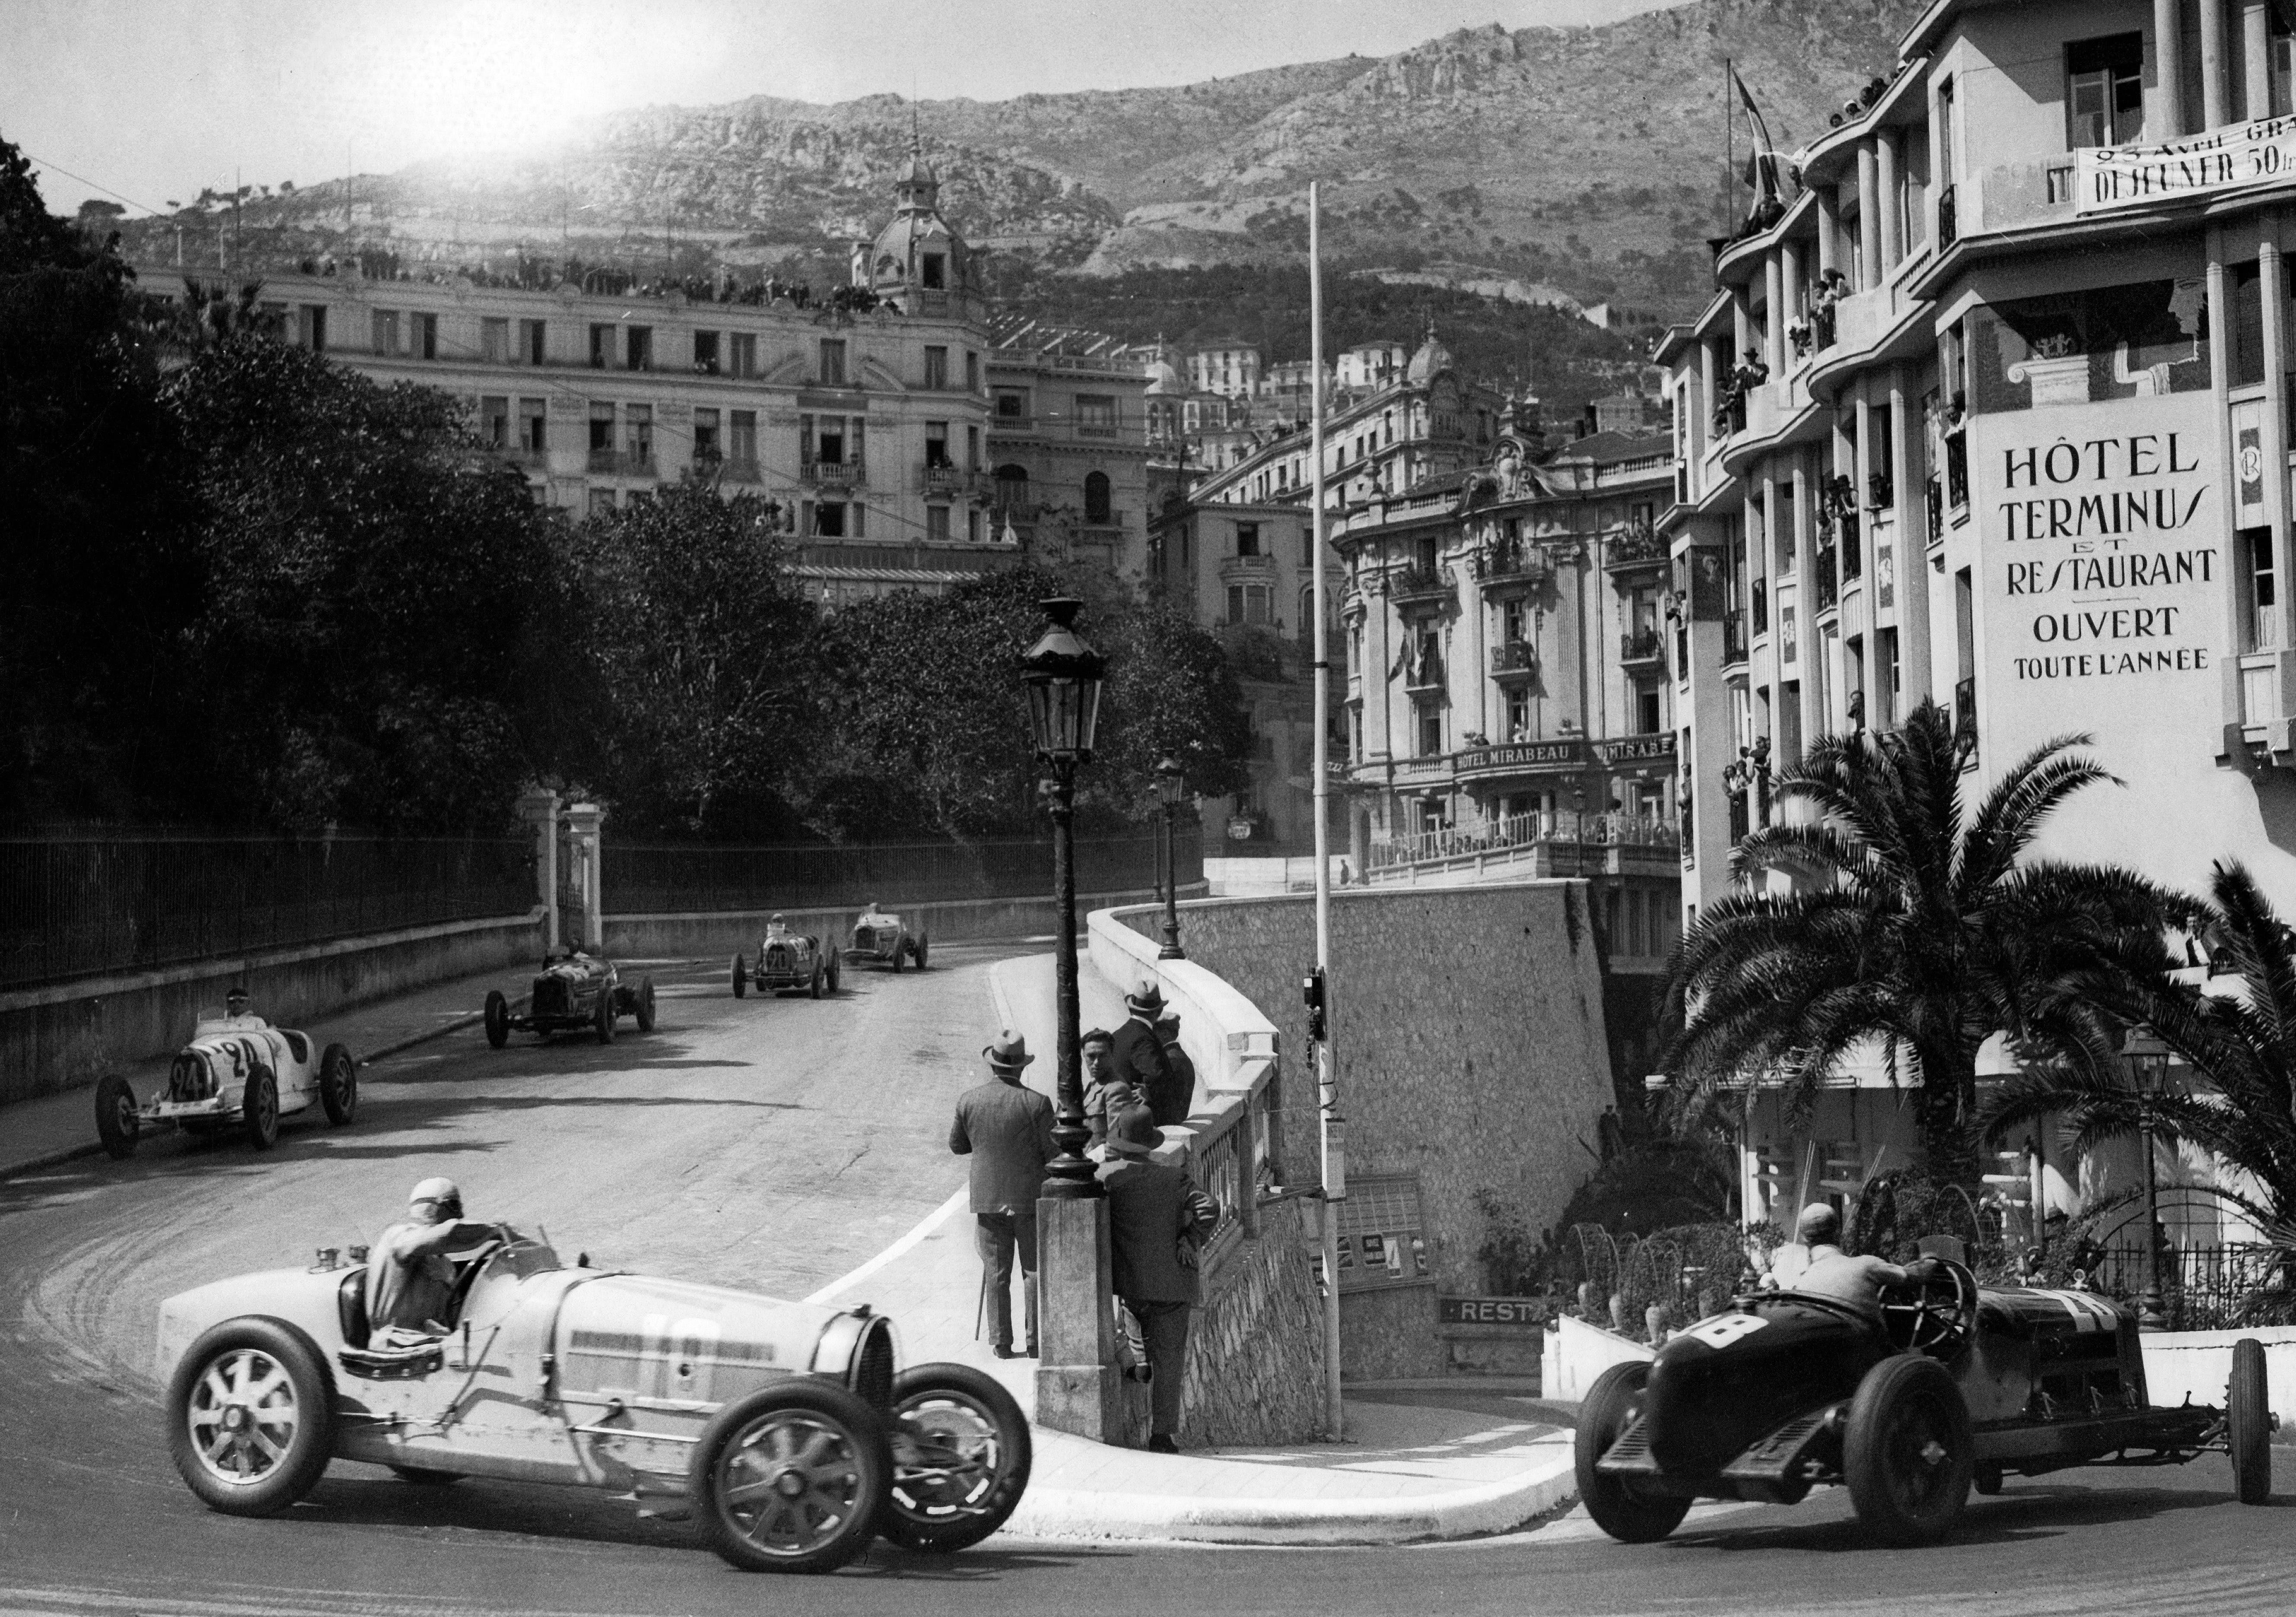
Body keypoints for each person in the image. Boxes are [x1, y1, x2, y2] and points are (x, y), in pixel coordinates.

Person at [1098, 1105, 1220, 1453]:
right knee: (1170, 1359)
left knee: (1132, 1317)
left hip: (1132, 1283)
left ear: (1119, 1143)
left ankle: (1136, 1363)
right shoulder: (1173, 1178)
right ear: (1150, 1144)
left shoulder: (1108, 1179)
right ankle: (1162, 1435)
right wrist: (1191, 1237)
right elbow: (1210, 1207)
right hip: (1171, 1285)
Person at [949, 1029, 1056, 1359]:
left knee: (996, 1271)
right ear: (1021, 1067)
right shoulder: (1037, 1103)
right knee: (1033, 1270)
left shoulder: (969, 1100)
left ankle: (1001, 1341)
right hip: (1028, 1198)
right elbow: (1051, 1153)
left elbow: (957, 1145)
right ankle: (1035, 1338)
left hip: (988, 1197)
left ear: (993, 1065)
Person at [366, 1178, 494, 1340]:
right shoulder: (398, 1236)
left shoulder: (444, 1263)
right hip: (396, 1343)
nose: (461, 1215)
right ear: (429, 1206)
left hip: (433, 1343)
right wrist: (495, 1231)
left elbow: (452, 1318)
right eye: (454, 1205)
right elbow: (450, 1233)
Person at [1778, 1202, 1927, 1320]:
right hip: (1874, 1352)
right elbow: (1914, 1275)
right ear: (1838, 1234)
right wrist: (1932, 1260)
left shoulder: (1802, 1285)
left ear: (1805, 1241)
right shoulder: (1866, 1266)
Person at [1111, 978, 1183, 1126]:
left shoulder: (1118, 1035)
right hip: (1139, 1123)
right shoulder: (1144, 1038)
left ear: (1131, 1008)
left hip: (1117, 1117)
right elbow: (1156, 1074)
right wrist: (1150, 1092)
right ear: (1159, 1012)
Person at [1079, 1029, 1124, 1150]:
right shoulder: (1094, 1085)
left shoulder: (1117, 1089)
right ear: (1084, 1056)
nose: (1097, 1062)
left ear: (1112, 1055)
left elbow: (1117, 1143)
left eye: (1103, 1056)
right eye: (1091, 1056)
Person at [1152, 1015, 1196, 1130]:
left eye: (1153, 1033)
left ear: (1165, 1034)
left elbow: (1164, 1099)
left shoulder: (1169, 1060)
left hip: (1167, 1126)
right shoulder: (1179, 1056)